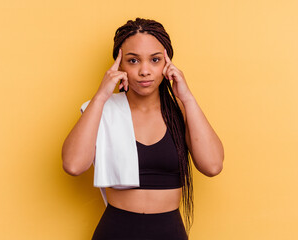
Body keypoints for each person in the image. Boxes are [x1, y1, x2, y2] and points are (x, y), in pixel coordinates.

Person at [62, 17, 224, 240]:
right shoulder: (103, 110)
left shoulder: (181, 110)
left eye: (155, 60)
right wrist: (100, 97)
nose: (145, 71)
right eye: (133, 61)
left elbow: (213, 165)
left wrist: (186, 97)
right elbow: (73, 165)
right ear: (119, 64)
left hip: (169, 232)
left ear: (167, 64)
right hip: (115, 232)